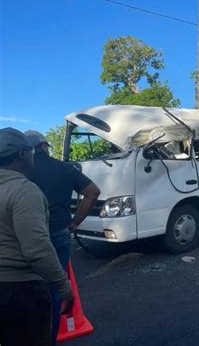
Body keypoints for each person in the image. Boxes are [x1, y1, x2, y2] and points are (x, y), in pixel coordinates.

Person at [24, 130, 100, 344]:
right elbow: (93, 192)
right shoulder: (65, 168)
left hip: (26, 235)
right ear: (45, 146)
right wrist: (75, 222)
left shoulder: (19, 171)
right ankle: (51, 335)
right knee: (56, 287)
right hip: (59, 232)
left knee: (25, 286)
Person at [0, 128, 74, 346]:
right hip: (20, 291)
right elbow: (37, 249)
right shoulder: (24, 190)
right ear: (23, 154)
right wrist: (64, 287)